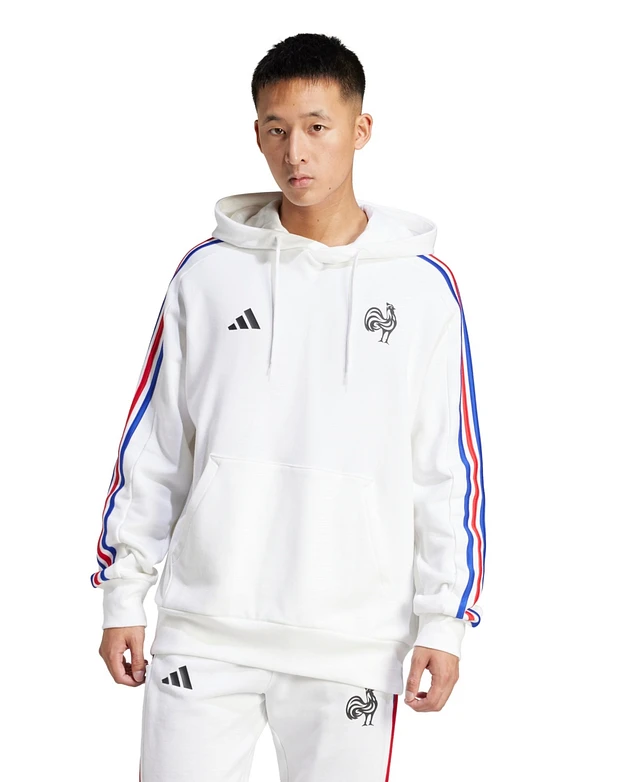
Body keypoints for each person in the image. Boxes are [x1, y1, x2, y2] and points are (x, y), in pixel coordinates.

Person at [91, 32, 486, 782]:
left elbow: (446, 468)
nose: (295, 152)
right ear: (257, 135)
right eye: (276, 130)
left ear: (360, 129)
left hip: (353, 645)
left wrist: (446, 619)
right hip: (205, 631)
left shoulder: (422, 289)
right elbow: (157, 446)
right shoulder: (207, 277)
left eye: (316, 126)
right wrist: (124, 594)